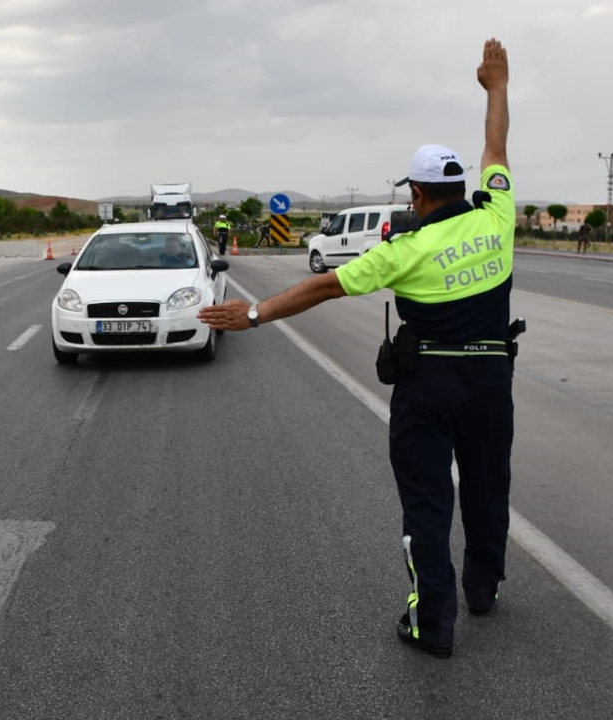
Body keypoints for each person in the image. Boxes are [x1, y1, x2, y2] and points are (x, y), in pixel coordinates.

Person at [198, 38, 516, 659]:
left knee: (428, 503)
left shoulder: (402, 251)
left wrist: (254, 312)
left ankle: (433, 624)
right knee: (487, 489)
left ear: (419, 195)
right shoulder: (498, 214)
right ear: (461, 188)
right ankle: (483, 590)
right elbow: (496, 147)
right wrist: (497, 87)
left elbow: (324, 285)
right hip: (490, 381)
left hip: (427, 387)